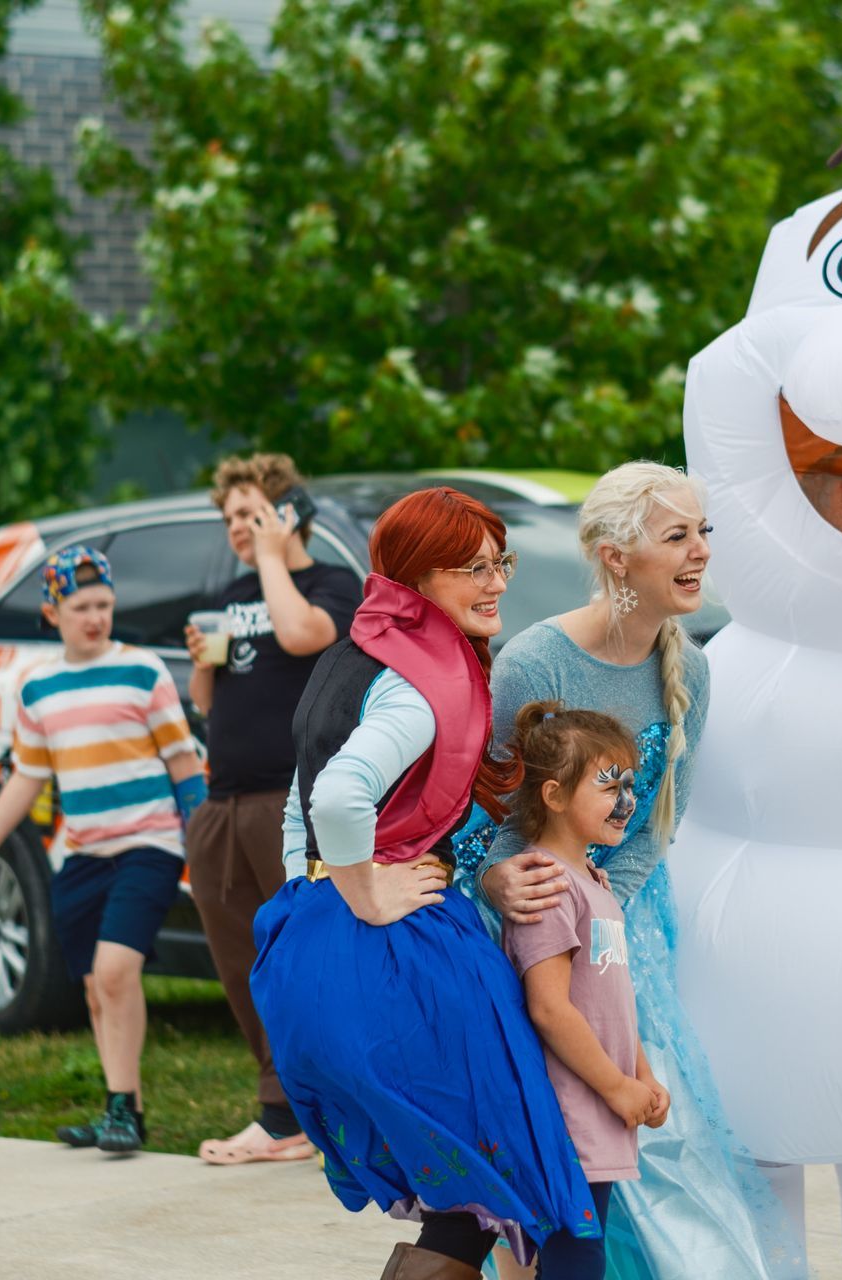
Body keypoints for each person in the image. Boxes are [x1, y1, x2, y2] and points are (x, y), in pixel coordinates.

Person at [248, 487, 597, 1280]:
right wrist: (367, 891)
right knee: (515, 1177)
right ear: (416, 578)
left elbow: (301, 808)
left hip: (308, 936)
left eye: (499, 561)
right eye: (472, 567)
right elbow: (338, 796)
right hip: (400, 948)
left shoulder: (357, 653)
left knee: (468, 1202)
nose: (497, 581)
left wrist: (324, 897)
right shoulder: (415, 680)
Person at [468, 461, 804, 1280]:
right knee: (550, 1129)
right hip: (535, 917)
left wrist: (603, 907)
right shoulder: (533, 665)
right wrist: (496, 882)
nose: (699, 554)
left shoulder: (691, 669)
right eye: (676, 535)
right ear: (616, 558)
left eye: (704, 533)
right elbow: (487, 820)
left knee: (658, 1126)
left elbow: (663, 819)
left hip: (625, 923)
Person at [0, 545, 204, 1153]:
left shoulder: (144, 671)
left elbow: (184, 764)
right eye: (82, 606)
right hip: (81, 857)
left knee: (116, 972)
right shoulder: (38, 690)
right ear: (53, 610)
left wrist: (202, 842)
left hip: (149, 844)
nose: (96, 617)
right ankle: (126, 1111)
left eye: (105, 605)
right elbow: (27, 780)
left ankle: (120, 1109)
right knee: (95, 988)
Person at [183, 452, 360, 1166]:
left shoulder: (330, 584)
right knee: (242, 963)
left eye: (249, 514)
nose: (236, 529)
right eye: (228, 518)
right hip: (221, 802)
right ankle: (280, 1110)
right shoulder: (233, 592)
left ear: (289, 514)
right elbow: (208, 702)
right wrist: (202, 658)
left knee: (305, 958)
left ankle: (326, 1112)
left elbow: (302, 637)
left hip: (290, 807)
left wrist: (270, 558)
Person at [502, 703, 671, 1280]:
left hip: (600, 1106)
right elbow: (549, 1008)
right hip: (566, 1115)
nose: (626, 800)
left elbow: (613, 1003)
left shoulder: (594, 882)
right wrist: (615, 1086)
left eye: (629, 784)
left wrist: (641, 1077)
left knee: (578, 1257)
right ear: (552, 796)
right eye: (608, 786)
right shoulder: (547, 884)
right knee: (576, 1259)